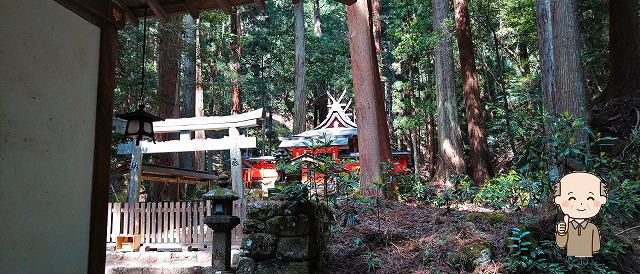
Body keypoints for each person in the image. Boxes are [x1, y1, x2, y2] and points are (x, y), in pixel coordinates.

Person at [554, 172, 607, 257]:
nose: (581, 203)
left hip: (587, 259)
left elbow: (596, 247)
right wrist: (561, 233)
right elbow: (561, 244)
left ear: (602, 200)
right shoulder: (568, 227)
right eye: (572, 198)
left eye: (590, 198)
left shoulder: (592, 228)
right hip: (571, 259)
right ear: (559, 200)